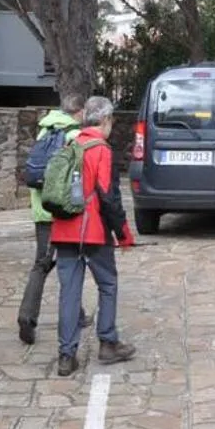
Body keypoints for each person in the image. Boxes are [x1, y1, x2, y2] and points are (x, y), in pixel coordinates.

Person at [49, 95, 137, 377]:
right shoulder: (102, 150)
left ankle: (66, 356)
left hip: (64, 230)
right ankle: (108, 343)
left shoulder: (70, 143)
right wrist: (123, 234)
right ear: (106, 120)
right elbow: (109, 198)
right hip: (93, 231)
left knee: (69, 293)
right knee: (108, 284)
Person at [17, 95, 85, 347]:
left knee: (45, 262)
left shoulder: (44, 130)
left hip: (41, 210)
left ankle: (77, 313)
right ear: (78, 112)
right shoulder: (73, 136)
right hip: (63, 211)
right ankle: (26, 316)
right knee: (66, 262)